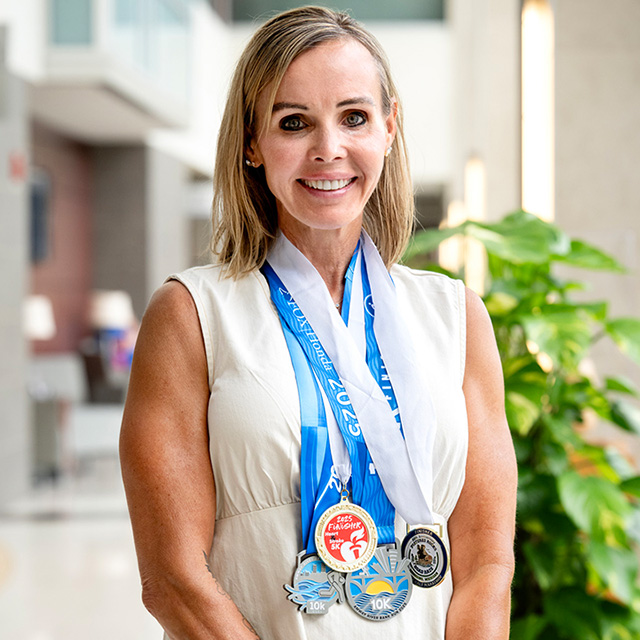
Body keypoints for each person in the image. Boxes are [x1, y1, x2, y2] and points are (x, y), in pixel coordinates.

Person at [119, 6, 517, 639]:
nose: (328, 149)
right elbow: (172, 578)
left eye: (354, 117)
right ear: (252, 142)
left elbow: (485, 567)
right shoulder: (192, 315)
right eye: (294, 122)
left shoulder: (455, 316)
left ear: (390, 129)